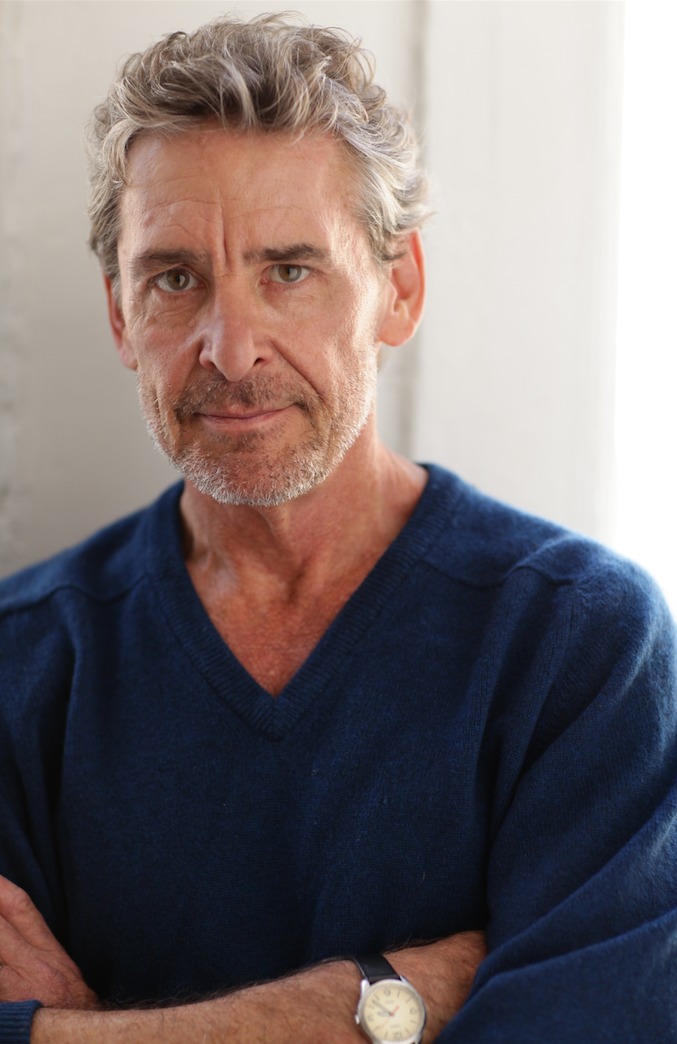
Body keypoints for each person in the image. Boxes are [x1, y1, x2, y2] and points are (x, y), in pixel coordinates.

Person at [0, 12, 676, 1043]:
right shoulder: (22, 662)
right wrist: (398, 997)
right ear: (120, 314)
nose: (231, 349)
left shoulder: (577, 643)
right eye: (175, 278)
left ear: (397, 289)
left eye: (289, 270)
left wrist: (78, 1031)